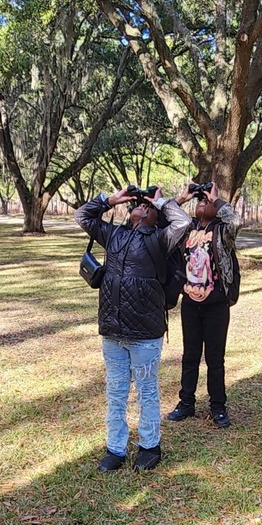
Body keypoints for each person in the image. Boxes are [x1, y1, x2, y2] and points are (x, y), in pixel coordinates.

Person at [75, 186, 190, 471]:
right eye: (139, 204)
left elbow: (183, 222)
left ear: (157, 217)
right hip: (112, 331)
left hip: (145, 333)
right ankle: (115, 449)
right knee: (116, 392)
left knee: (146, 392)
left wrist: (161, 202)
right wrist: (111, 200)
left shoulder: (161, 240)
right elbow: (83, 216)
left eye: (148, 207)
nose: (143, 206)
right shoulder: (114, 234)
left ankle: (150, 446)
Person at [166, 182, 241, 428]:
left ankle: (218, 406)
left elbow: (236, 221)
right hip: (190, 304)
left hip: (216, 305)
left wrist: (216, 199)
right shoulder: (186, 228)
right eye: (199, 200)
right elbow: (165, 214)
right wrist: (183, 197)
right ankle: (186, 402)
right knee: (190, 356)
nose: (202, 201)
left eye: (206, 200)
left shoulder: (222, 231)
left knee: (215, 359)